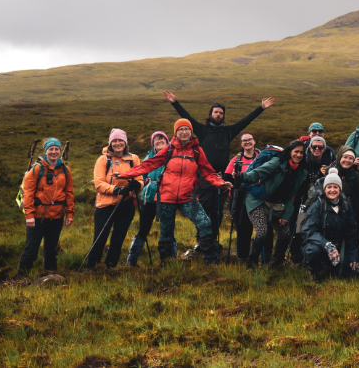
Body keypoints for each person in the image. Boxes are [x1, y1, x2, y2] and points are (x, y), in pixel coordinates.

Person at [163, 90, 275, 254]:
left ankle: (213, 241)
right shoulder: (202, 130)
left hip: (221, 178)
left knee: (217, 212)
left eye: (221, 113)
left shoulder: (228, 132)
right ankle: (201, 241)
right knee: (203, 209)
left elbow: (245, 121)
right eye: (216, 112)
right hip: (204, 177)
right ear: (211, 114)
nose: (218, 115)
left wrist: (261, 108)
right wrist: (175, 102)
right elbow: (186, 117)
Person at [115, 119, 232, 264]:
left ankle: (209, 259)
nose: (184, 132)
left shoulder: (197, 150)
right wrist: (125, 174)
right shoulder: (169, 149)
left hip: (188, 198)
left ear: (191, 132)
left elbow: (208, 171)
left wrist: (220, 183)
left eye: (187, 129)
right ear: (176, 133)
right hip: (166, 198)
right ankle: (166, 263)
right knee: (166, 232)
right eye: (180, 129)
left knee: (205, 223)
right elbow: (149, 164)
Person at [240, 139, 309, 269]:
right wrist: (242, 176)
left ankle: (275, 265)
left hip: (277, 205)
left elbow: (292, 196)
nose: (299, 155)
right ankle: (251, 264)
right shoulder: (277, 162)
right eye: (296, 151)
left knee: (285, 235)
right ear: (289, 152)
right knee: (262, 232)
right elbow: (258, 172)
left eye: (301, 152)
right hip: (258, 200)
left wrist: (286, 215)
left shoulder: (300, 172)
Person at [17, 138, 74, 275]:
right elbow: (28, 194)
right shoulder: (36, 169)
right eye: (51, 149)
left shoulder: (65, 170)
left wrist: (69, 213)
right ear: (46, 151)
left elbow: (69, 192)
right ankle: (20, 278)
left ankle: (50, 277)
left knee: (51, 250)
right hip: (37, 217)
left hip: (57, 217)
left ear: (60, 150)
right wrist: (29, 216)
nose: (54, 152)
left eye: (56, 149)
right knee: (31, 250)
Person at [88, 129, 143, 268]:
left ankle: (110, 267)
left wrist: (138, 185)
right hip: (105, 205)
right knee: (100, 238)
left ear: (125, 142)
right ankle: (92, 267)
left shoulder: (134, 159)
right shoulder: (103, 160)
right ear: (110, 143)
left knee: (118, 239)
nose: (118, 143)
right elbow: (99, 184)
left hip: (127, 205)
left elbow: (140, 179)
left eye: (120, 140)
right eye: (114, 141)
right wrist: (117, 190)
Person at [302, 168, 359, 281]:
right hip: (320, 246)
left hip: (339, 246)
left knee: (355, 270)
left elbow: (352, 233)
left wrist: (354, 257)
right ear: (324, 189)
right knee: (313, 251)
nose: (332, 190)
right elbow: (309, 231)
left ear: (340, 189)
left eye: (335, 187)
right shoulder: (317, 206)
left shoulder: (346, 206)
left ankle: (332, 267)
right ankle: (312, 269)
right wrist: (327, 245)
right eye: (329, 187)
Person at [126, 131, 169, 267]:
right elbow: (141, 177)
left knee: (167, 229)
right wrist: (137, 188)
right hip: (149, 197)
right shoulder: (148, 158)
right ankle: (131, 260)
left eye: (162, 138)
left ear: (167, 142)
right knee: (143, 229)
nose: (159, 140)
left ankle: (168, 260)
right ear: (152, 144)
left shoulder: (172, 157)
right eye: (156, 139)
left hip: (167, 197)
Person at [221, 132, 258, 264]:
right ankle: (243, 258)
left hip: (257, 198)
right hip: (238, 199)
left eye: (249, 139)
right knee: (242, 229)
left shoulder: (260, 158)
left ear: (254, 141)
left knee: (261, 230)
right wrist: (232, 179)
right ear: (241, 144)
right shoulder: (236, 159)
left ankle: (256, 257)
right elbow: (226, 178)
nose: (247, 142)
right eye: (244, 141)